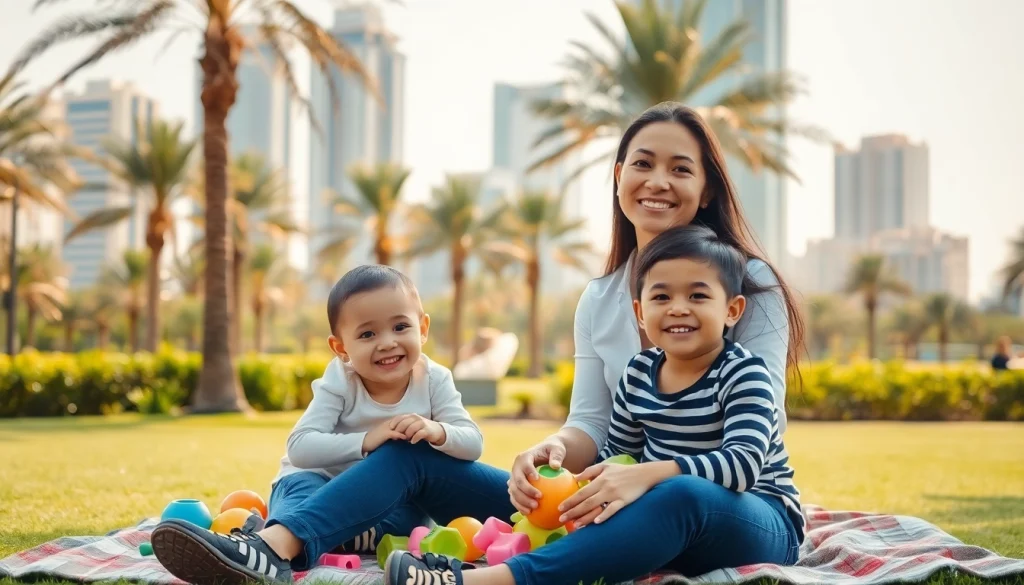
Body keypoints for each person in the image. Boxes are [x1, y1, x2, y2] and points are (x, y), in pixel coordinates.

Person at [151, 101, 806, 585]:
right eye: (643, 163)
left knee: (674, 495)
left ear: (706, 187)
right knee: (415, 448)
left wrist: (639, 476)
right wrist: (548, 453)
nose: (658, 180)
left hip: (740, 509)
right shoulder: (602, 298)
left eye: (680, 168)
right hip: (619, 493)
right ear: (617, 176)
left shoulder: (754, 287)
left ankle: (470, 581)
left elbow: (748, 447)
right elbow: (594, 426)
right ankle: (275, 546)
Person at [151, 264, 484, 584]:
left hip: (383, 506)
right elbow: (300, 447)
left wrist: (439, 431)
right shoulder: (341, 380)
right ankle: (269, 548)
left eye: (400, 327)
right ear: (340, 348)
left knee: (411, 519)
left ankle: (291, 537)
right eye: (367, 333)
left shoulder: (433, 379)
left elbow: (472, 442)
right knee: (300, 495)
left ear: (423, 329)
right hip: (317, 482)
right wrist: (368, 439)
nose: (387, 342)